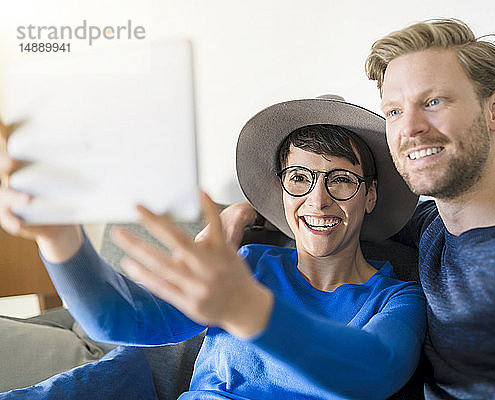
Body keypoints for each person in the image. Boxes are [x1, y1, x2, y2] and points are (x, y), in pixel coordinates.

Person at [214, 19, 495, 399]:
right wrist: (247, 212)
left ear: (494, 109)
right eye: (395, 111)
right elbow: (334, 210)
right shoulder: (430, 226)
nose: (409, 128)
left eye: (433, 102)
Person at [0, 97, 426, 399]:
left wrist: (250, 312)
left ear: (370, 196)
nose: (317, 200)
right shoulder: (246, 265)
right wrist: (58, 237)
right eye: (299, 177)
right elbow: (120, 320)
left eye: (341, 180)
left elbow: (372, 372)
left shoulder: (396, 298)